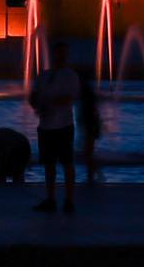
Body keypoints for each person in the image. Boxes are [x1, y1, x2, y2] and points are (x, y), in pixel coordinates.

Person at [28, 40, 80, 212]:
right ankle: (51, 199)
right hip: (45, 126)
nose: (61, 56)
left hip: (63, 125)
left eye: (63, 53)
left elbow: (69, 98)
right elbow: (33, 96)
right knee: (49, 164)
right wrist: (37, 105)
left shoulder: (70, 76)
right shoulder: (43, 76)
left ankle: (69, 200)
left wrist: (48, 104)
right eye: (58, 53)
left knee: (66, 163)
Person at [78, 68, 102, 183]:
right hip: (90, 125)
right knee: (87, 152)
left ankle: (94, 174)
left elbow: (89, 111)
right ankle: (92, 175)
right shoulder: (87, 91)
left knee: (87, 152)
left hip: (90, 125)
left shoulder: (85, 91)